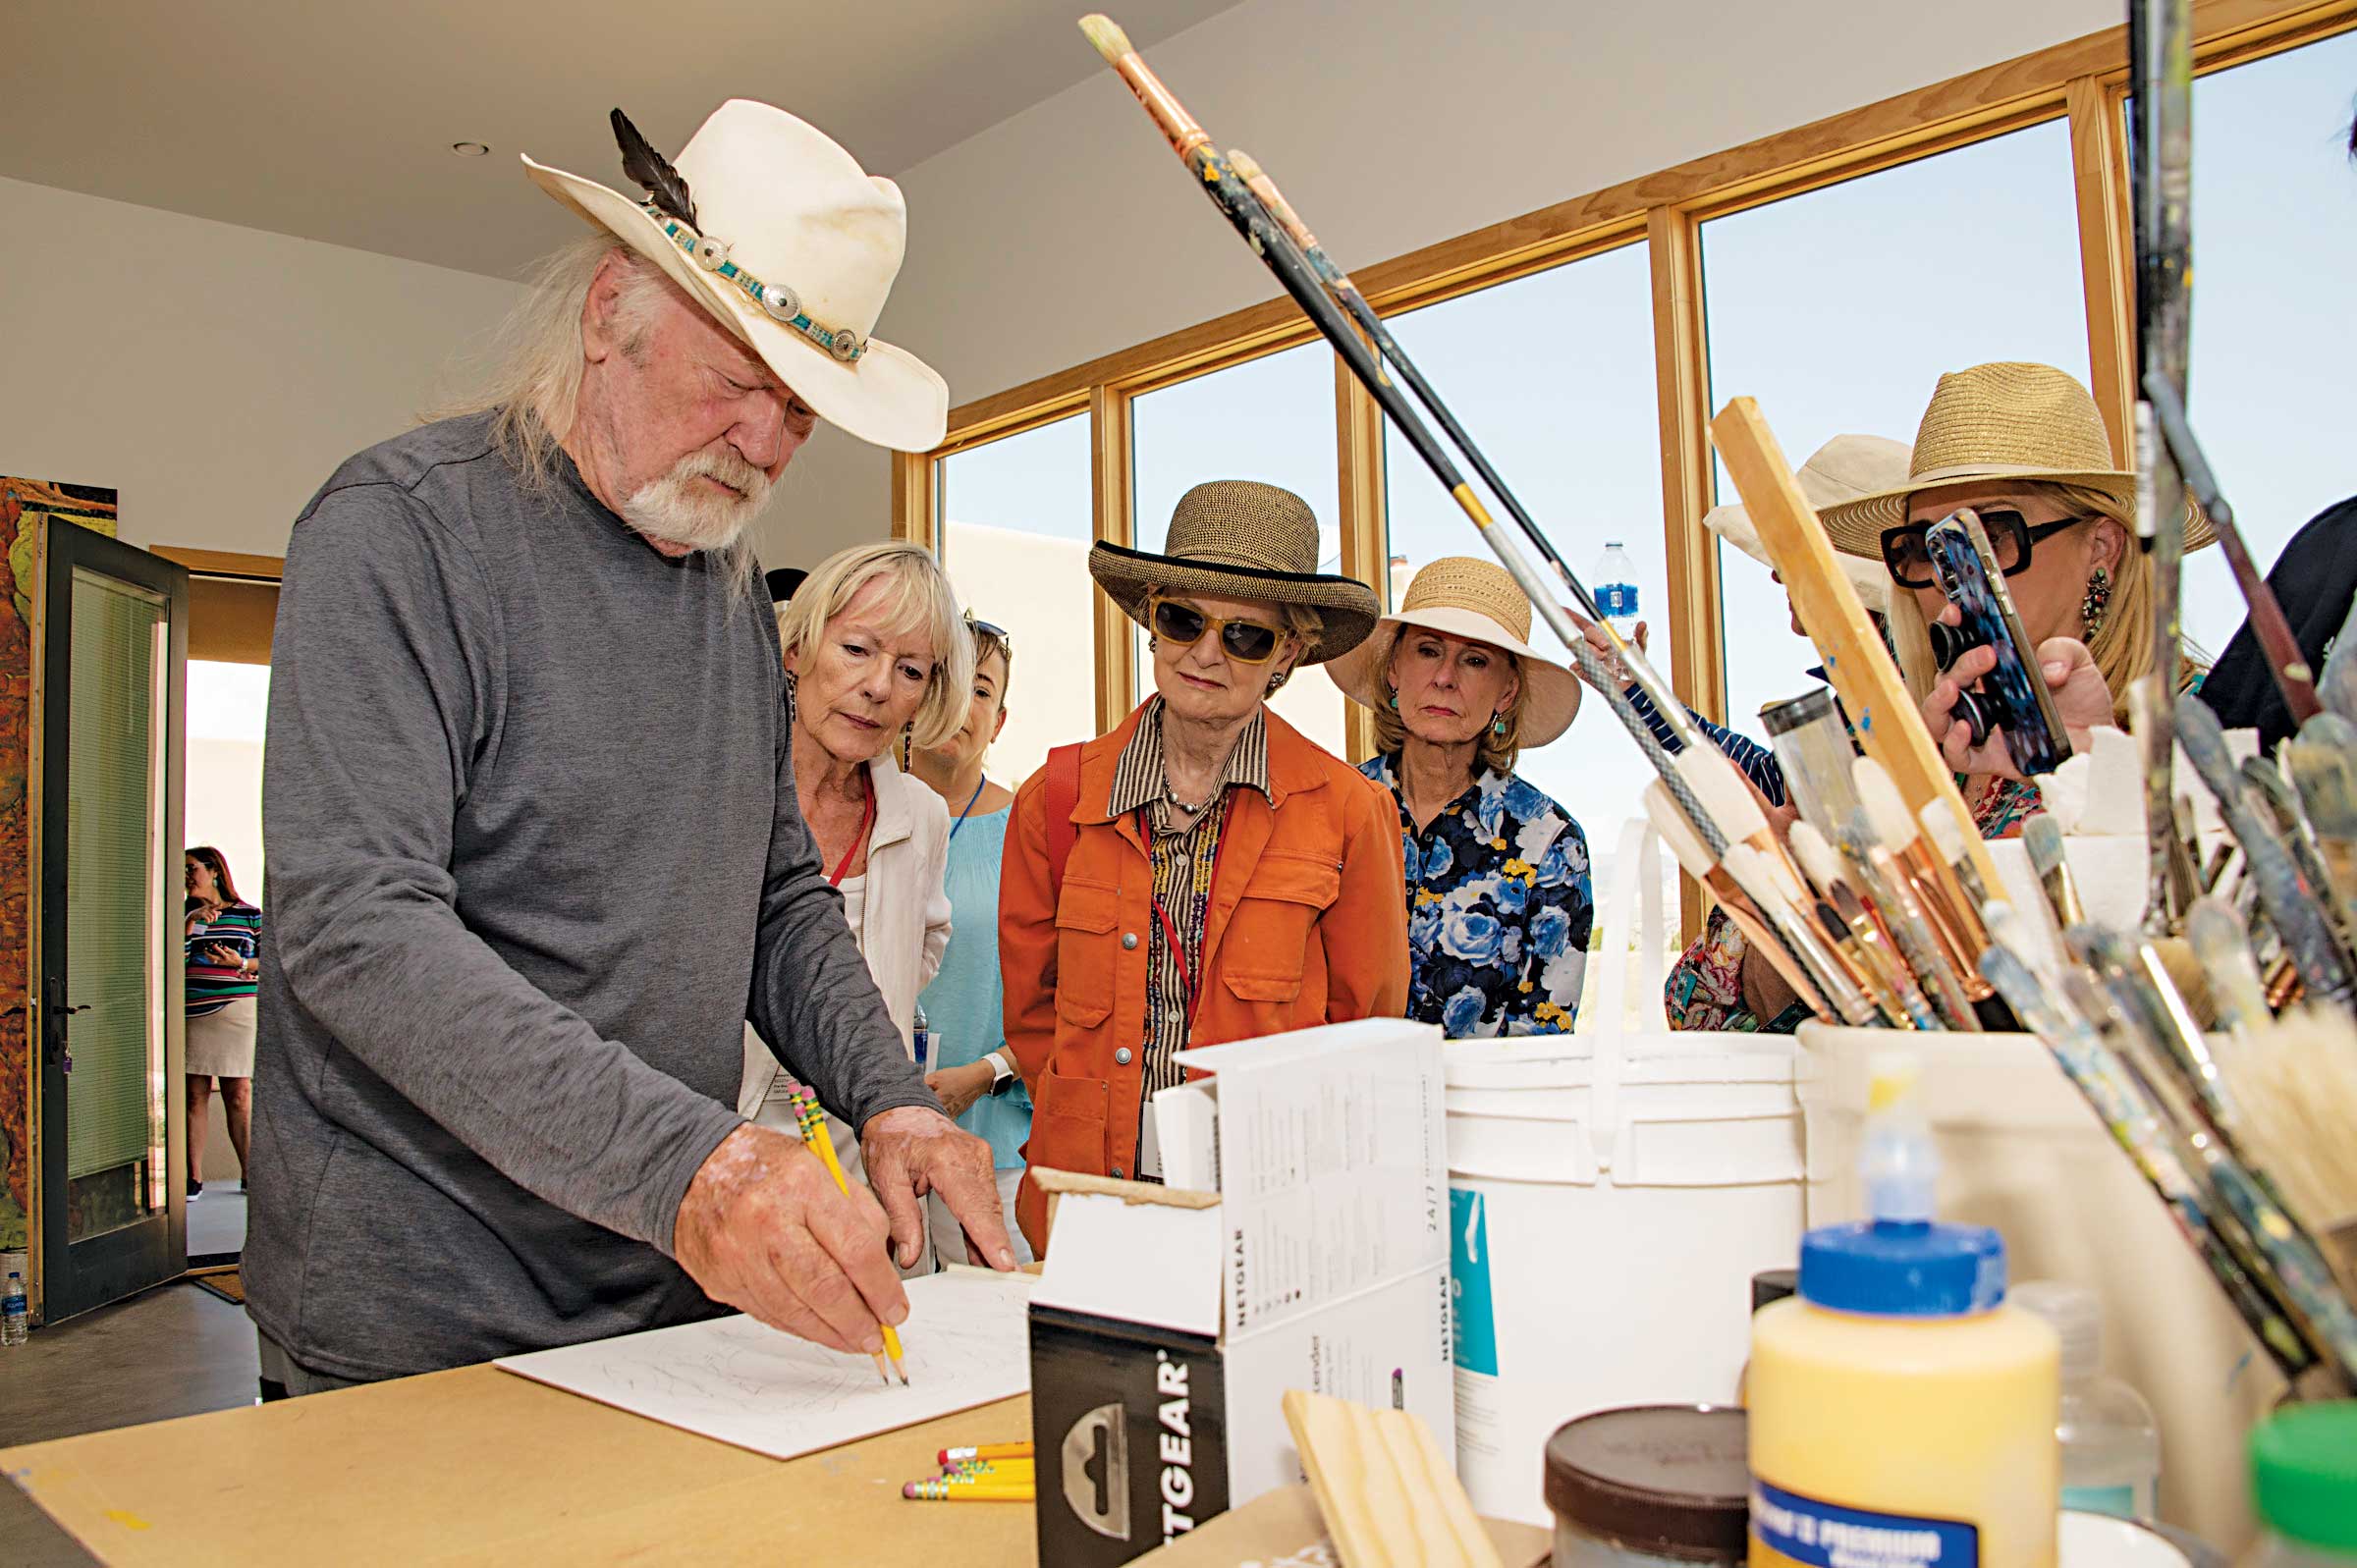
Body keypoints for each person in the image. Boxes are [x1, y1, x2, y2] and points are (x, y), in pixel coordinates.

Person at [248, 99, 1013, 1397]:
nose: (767, 449)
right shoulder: (399, 534)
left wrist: (890, 1096)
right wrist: (693, 1167)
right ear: (612, 313)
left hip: (657, 1295)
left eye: (802, 413)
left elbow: (770, 895)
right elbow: (356, 929)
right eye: (734, 387)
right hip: (415, 1314)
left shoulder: (718, 586)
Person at [1666, 361, 2212, 1031]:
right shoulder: (1905, 748)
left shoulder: (2196, 728)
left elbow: (2221, 991)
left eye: (1992, 536)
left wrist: (2095, 772)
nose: (1950, 577)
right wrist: (1802, 906)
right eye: (1927, 548)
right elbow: (1697, 1007)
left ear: (2101, 546)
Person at [998, 480, 1410, 1255]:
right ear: (1151, 620)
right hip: (1088, 1211)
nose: (1207, 653)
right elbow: (1033, 1020)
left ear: (1288, 652)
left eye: (1246, 636)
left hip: (1267, 1218)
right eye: (1182, 619)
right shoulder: (1052, 800)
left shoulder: (1350, 812)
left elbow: (1366, 1032)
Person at [739, 543, 965, 1230]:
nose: (878, 687)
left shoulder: (921, 815)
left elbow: (923, 948)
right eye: (857, 649)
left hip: (865, 1156)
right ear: (798, 649)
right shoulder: (729, 796)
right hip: (723, 1144)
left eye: (910, 670)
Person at [1328, 557, 1591, 1037]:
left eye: (1474, 660)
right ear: (1393, 670)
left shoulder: (1549, 840)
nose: (1445, 678)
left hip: (1487, 1109)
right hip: (1339, 1104)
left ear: (1507, 692)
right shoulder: (1328, 810)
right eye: (1428, 651)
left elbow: (1543, 1033)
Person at [905, 613, 1033, 1265]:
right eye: (948, 680)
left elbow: (1068, 1000)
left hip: (992, 1149)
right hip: (864, 1140)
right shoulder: (862, 807)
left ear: (1000, 720)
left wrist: (986, 1075)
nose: (962, 702)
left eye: (981, 688)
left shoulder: (1032, 831)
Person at [183, 847, 260, 1198]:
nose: (186, 875)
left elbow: (271, 958)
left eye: (191, 868)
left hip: (236, 1012)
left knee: (239, 1094)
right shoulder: (183, 915)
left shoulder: (249, 915)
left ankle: (249, 1174)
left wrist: (239, 964)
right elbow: (174, 959)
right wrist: (190, 921)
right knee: (194, 1095)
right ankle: (192, 1178)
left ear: (214, 871)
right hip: (194, 1013)